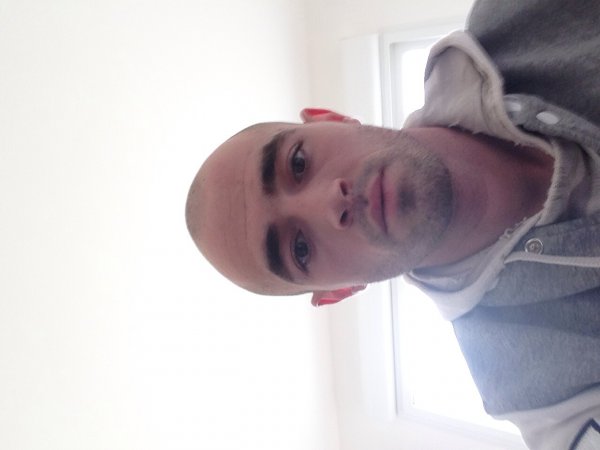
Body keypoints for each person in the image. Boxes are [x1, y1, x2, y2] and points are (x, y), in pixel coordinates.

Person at [185, 0, 600, 448]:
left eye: (298, 162)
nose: (330, 203)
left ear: (331, 118)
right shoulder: (542, 397)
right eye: (299, 249)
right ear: (340, 292)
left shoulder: (519, 17)